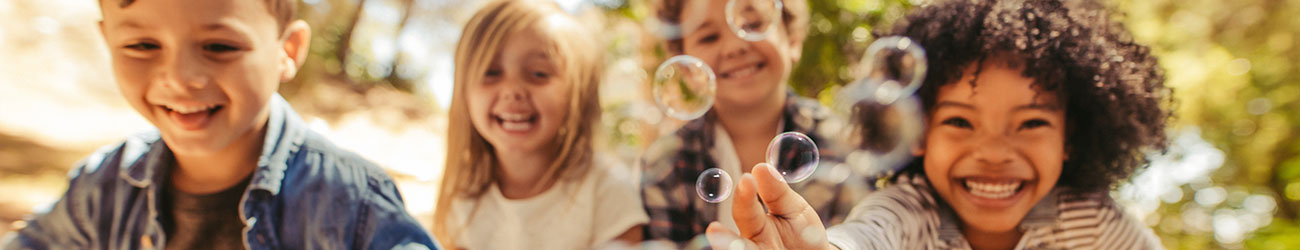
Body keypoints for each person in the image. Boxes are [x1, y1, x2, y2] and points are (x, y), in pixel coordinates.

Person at [706, 0, 1172, 249]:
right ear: (918, 132)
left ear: (1072, 137)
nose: (992, 152)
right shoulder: (910, 212)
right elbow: (867, 237)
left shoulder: (1089, 222)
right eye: (960, 122)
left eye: (1030, 122)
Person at [2, 0, 438, 249]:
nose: (178, 76)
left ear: (287, 49)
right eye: (141, 44)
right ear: (107, 42)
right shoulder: (102, 187)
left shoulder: (351, 200)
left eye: (219, 45)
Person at [640, 0, 869, 247]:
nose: (735, 46)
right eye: (708, 37)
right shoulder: (665, 163)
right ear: (686, 69)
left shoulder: (845, 144)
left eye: (752, 24)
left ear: (792, 40)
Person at [430, 1, 647, 249]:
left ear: (578, 94)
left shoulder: (605, 187)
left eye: (539, 73)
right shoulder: (464, 195)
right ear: (463, 93)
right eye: (490, 72)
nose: (512, 90)